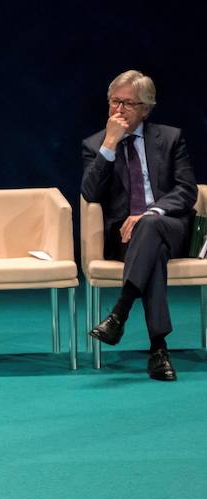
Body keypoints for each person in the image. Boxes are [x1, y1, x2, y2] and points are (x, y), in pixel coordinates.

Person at [83, 70, 197, 381]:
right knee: (153, 253)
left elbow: (186, 190)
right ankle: (158, 350)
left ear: (146, 108)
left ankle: (120, 312)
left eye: (127, 104)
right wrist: (109, 144)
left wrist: (152, 212)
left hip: (170, 227)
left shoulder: (170, 138)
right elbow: (90, 194)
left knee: (150, 227)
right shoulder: (95, 145)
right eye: (114, 102)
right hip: (124, 238)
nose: (118, 110)